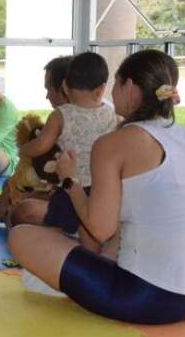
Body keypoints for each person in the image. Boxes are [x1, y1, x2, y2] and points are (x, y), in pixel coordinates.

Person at [9, 50, 185, 324]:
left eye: (116, 84)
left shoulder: (114, 142)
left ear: (129, 87)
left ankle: (76, 285)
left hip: (148, 299)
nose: (112, 92)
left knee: (21, 236)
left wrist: (69, 179)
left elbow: (99, 228)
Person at [9, 52, 117, 234]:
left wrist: (24, 148)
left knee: (55, 228)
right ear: (101, 89)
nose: (46, 96)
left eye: (48, 89)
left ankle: (57, 250)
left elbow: (41, 145)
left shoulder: (61, 114)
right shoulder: (110, 114)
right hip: (101, 189)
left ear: (65, 86)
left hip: (70, 187)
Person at [0, 56, 72, 222]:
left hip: (68, 196)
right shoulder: (58, 118)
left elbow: (66, 187)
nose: (47, 96)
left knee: (21, 212)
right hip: (43, 185)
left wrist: (29, 195)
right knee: (6, 193)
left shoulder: (71, 119)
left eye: (48, 90)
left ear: (63, 89)